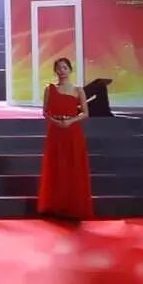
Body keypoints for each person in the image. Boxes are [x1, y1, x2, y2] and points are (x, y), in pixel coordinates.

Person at [37, 57, 93, 219]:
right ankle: (55, 205)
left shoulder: (78, 90)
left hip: (73, 132)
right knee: (56, 166)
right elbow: (45, 112)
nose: (61, 71)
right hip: (55, 132)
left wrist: (70, 121)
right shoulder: (50, 89)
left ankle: (73, 205)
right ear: (55, 71)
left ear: (70, 70)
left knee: (73, 166)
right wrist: (56, 121)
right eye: (58, 68)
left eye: (64, 68)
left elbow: (85, 113)